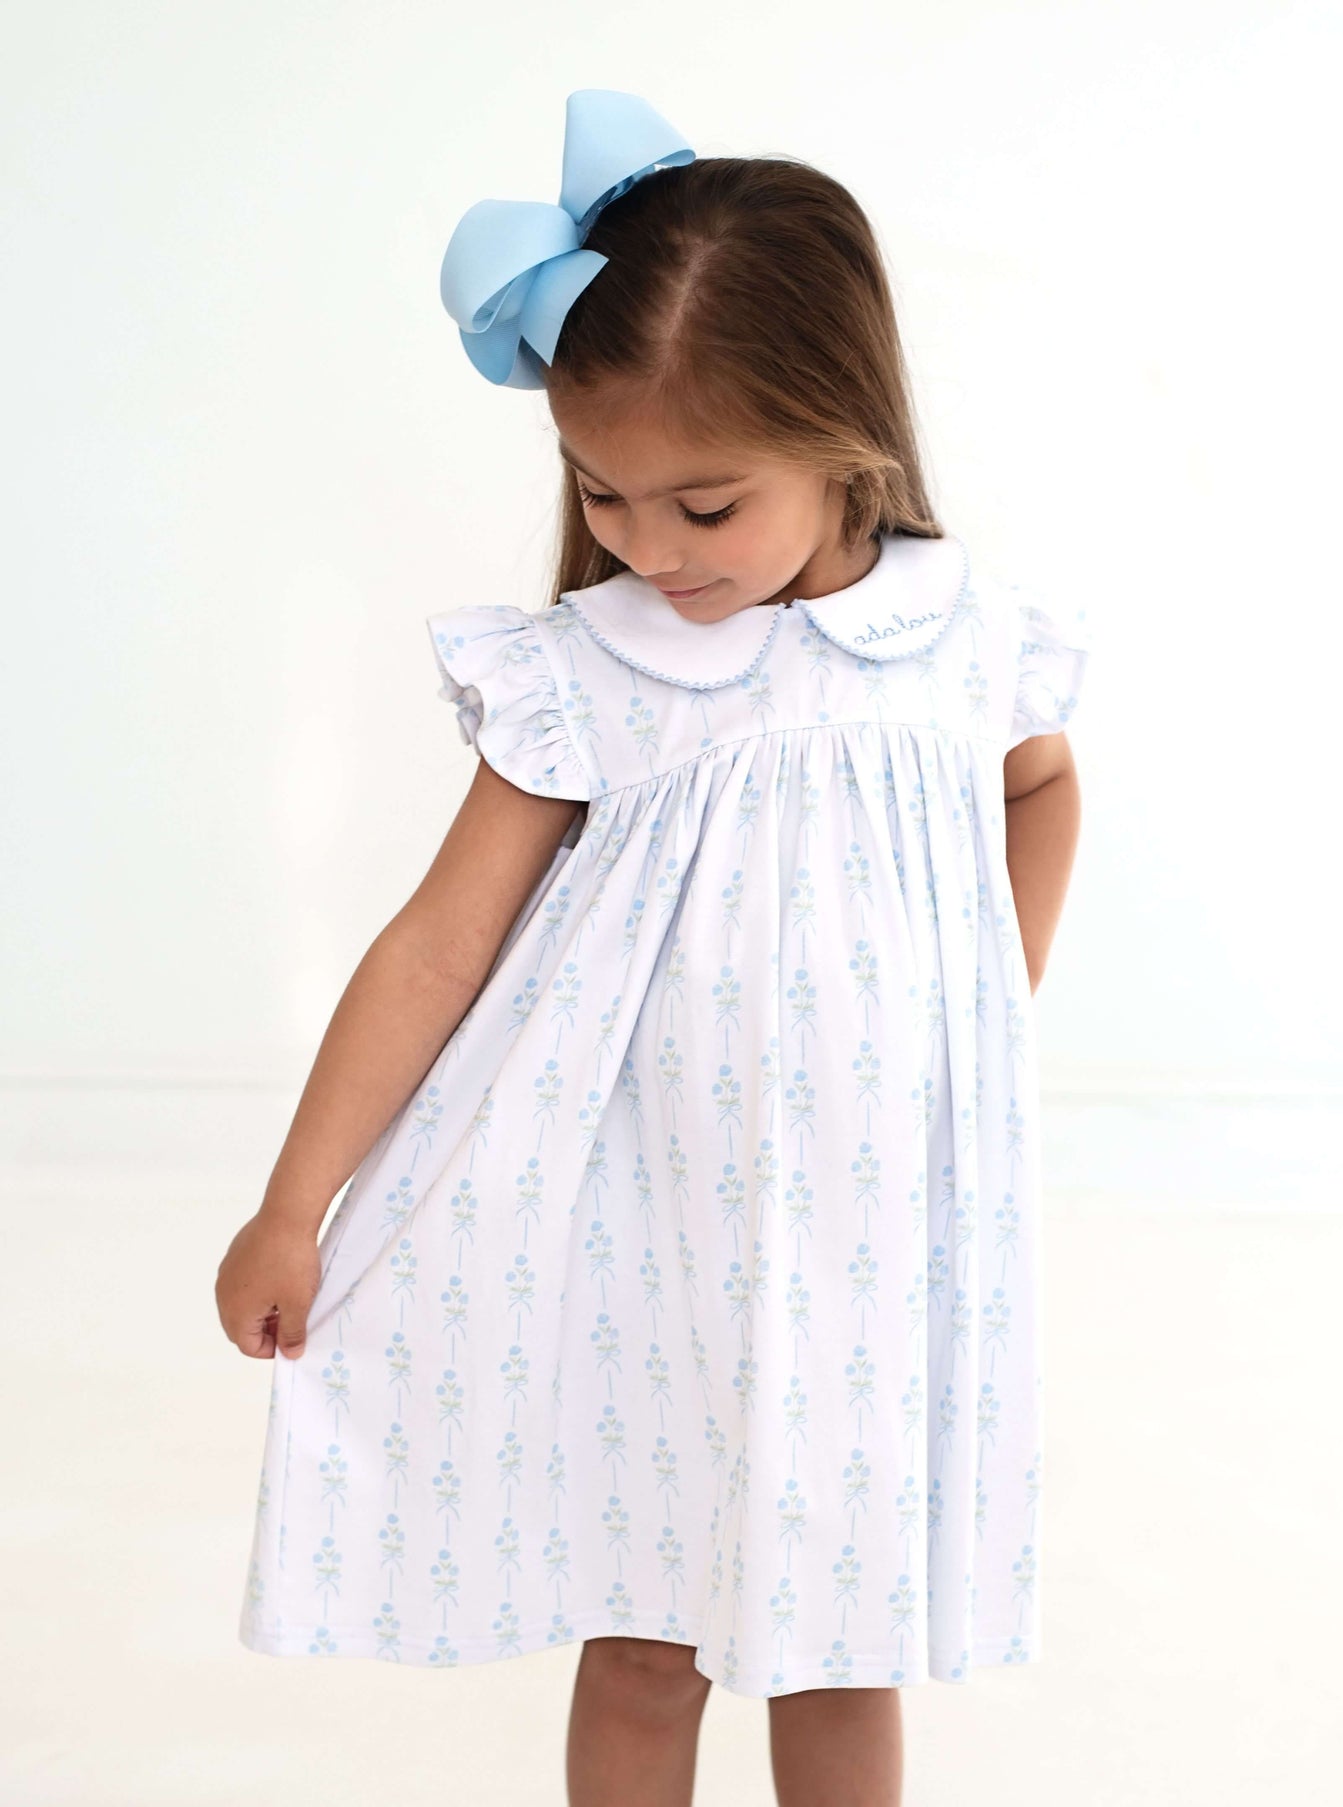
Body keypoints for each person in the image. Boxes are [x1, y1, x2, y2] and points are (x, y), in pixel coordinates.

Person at [215, 89, 1092, 1807]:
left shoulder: (959, 643)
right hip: (642, 1232)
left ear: (842, 440)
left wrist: (980, 1009)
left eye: (704, 505)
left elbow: (1042, 789)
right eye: (603, 496)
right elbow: (434, 949)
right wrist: (290, 1201)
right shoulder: (592, 672)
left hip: (866, 1241)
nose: (644, 547)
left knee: (839, 1642)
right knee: (643, 1638)